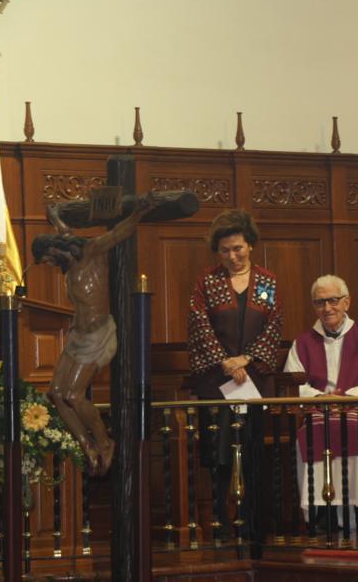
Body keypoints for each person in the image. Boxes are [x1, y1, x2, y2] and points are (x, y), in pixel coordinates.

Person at [32, 192, 160, 476]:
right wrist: (54, 216)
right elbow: (63, 229)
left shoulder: (90, 251)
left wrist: (138, 212)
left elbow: (118, 233)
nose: (49, 266)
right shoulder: (69, 256)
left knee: (74, 396)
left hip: (97, 336)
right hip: (78, 334)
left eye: (47, 260)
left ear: (54, 251)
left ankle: (103, 441)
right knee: (55, 394)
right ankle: (84, 444)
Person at [186, 209, 283, 534]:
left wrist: (247, 359)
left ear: (250, 245)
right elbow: (199, 325)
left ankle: (254, 523)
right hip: (217, 381)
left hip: (254, 379)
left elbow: (274, 325)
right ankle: (220, 522)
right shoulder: (207, 281)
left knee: (255, 450)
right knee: (219, 454)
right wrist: (225, 361)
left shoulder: (267, 281)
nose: (232, 255)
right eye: (225, 250)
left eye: (238, 248)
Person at [284, 274, 358, 528]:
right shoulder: (302, 343)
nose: (326, 308)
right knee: (313, 431)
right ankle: (323, 512)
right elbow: (293, 385)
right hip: (318, 411)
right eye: (319, 302)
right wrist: (322, 398)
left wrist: (345, 400)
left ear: (347, 302)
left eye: (332, 300)